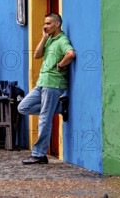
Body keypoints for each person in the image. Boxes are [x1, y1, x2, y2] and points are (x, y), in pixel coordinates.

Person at [19, 13, 76, 165]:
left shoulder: (62, 40)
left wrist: (61, 64)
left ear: (57, 24)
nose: (45, 26)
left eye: (49, 23)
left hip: (53, 84)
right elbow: (37, 55)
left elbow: (71, 54)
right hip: (42, 83)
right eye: (45, 23)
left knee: (44, 119)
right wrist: (44, 37)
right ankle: (60, 107)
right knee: (23, 107)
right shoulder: (50, 39)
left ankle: (39, 155)